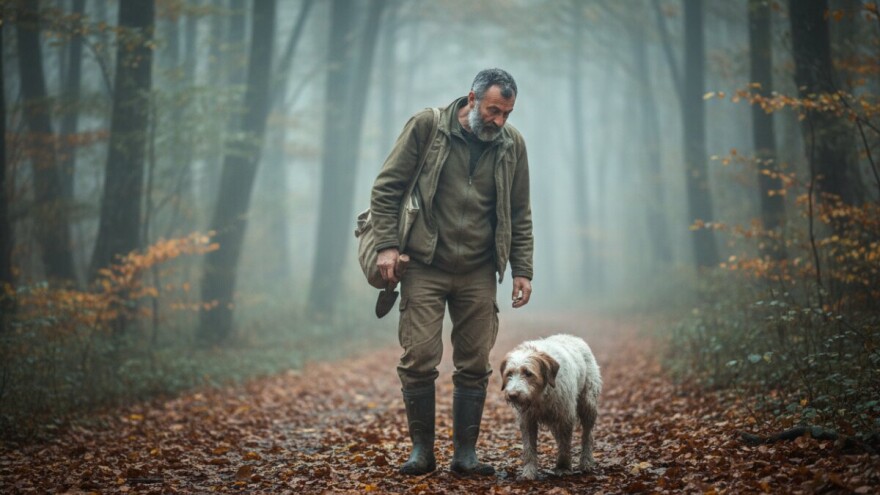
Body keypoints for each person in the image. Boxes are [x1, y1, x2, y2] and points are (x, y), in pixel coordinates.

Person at [370, 68, 534, 476]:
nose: (499, 121)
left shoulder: (512, 145)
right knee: (420, 357)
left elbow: (519, 212)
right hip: (424, 264)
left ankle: (466, 456)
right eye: (494, 110)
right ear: (472, 98)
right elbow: (387, 188)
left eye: (507, 114)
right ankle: (422, 452)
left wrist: (522, 269)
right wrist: (387, 245)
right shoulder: (428, 127)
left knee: (476, 361)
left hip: (479, 269)